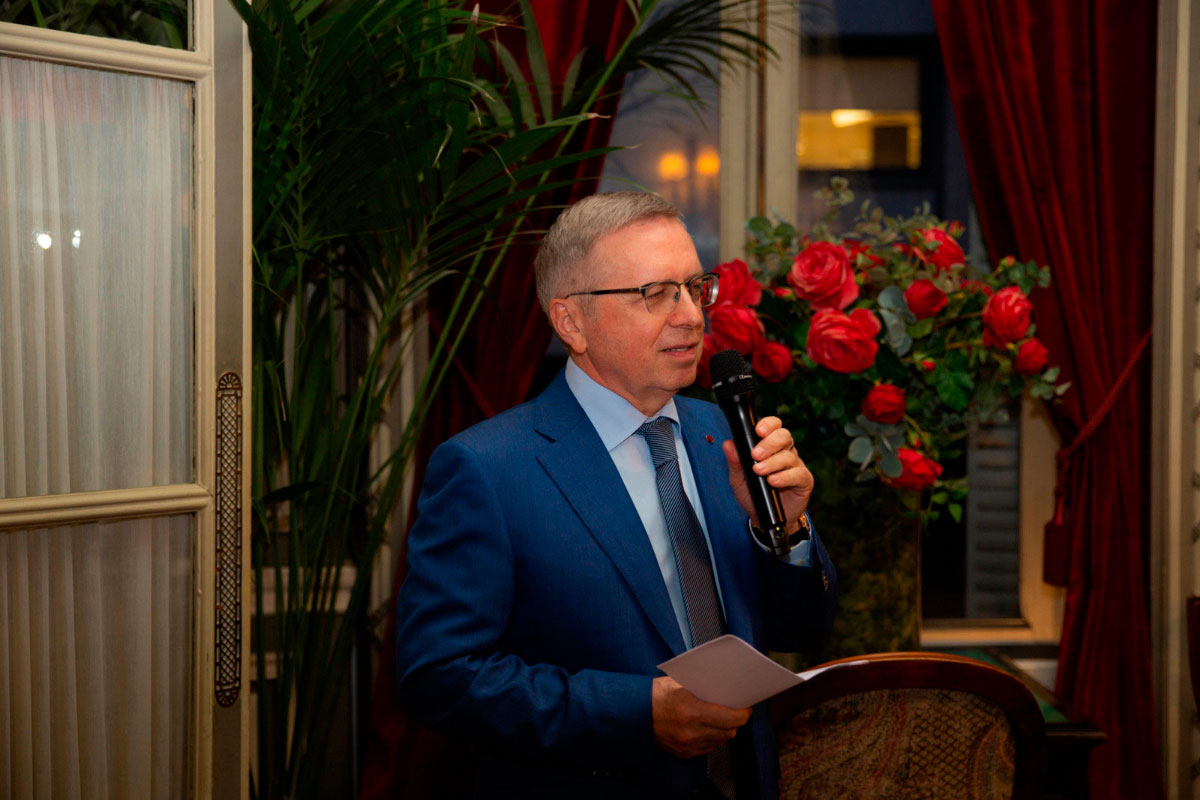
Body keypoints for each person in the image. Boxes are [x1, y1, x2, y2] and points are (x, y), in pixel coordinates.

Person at [394, 192, 837, 799]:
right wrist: (638, 713)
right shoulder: (488, 468)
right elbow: (438, 677)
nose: (691, 316)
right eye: (656, 293)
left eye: (694, 288)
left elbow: (804, 628)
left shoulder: (723, 436)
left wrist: (784, 530)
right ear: (571, 322)